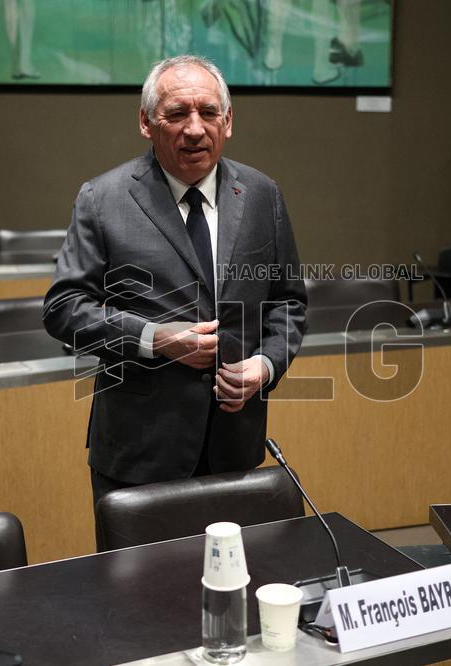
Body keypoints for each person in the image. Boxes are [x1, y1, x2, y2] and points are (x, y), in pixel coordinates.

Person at [43, 55, 307, 507]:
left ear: (228, 121)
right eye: (177, 113)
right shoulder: (102, 199)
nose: (194, 128)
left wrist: (264, 366)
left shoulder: (263, 194)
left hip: (236, 446)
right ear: (146, 122)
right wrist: (155, 338)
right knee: (142, 581)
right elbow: (64, 308)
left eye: (207, 112)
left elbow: (288, 303)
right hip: (140, 454)